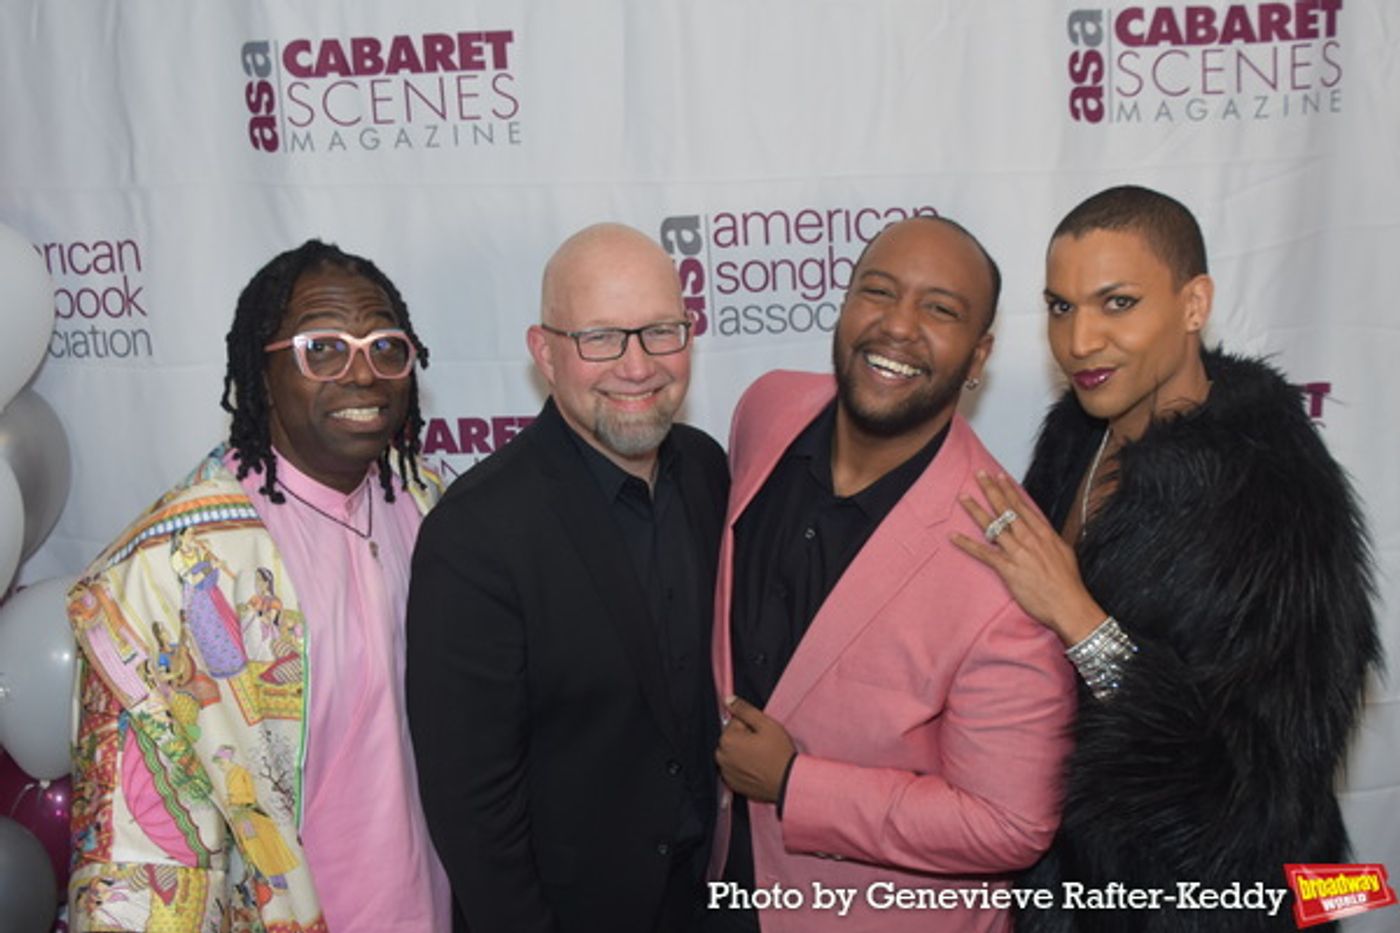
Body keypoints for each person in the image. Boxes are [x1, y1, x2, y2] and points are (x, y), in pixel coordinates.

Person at [952, 185, 1380, 931]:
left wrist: (1080, 618)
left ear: (1193, 304)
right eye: (1060, 306)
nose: (1080, 339)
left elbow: (1256, 799)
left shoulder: (1273, 489)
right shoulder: (1077, 435)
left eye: (1117, 303)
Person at [66, 240, 452, 931]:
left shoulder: (438, 508)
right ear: (263, 372)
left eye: (385, 346)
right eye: (323, 349)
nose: (363, 373)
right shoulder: (159, 578)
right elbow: (138, 854)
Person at [707, 216, 1077, 932]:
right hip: (725, 885)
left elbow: (1011, 824)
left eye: (940, 309)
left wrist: (795, 784)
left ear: (979, 356)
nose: (899, 325)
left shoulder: (1008, 564)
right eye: (878, 292)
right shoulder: (768, 409)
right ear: (844, 309)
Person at [406, 223, 729, 933]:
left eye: (661, 331)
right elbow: (473, 814)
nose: (638, 364)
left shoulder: (710, 470)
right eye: (601, 338)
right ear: (544, 353)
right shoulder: (475, 535)